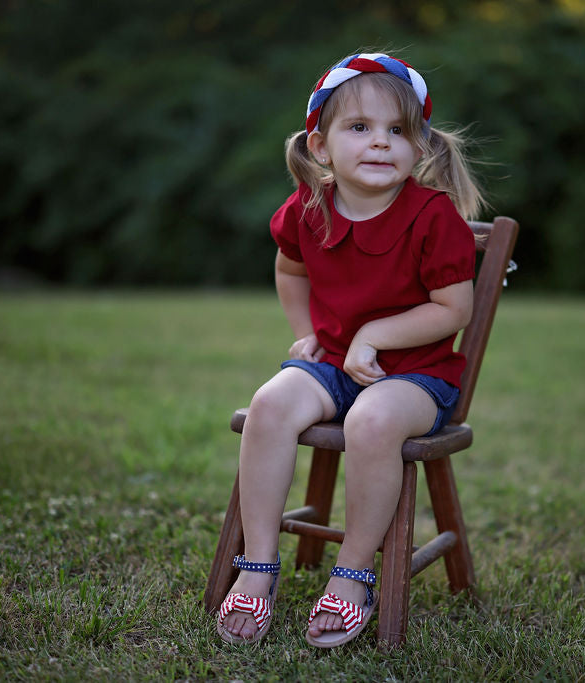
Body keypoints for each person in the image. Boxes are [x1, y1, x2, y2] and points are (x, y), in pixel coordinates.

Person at [216, 52, 486, 648]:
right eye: (359, 128)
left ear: (420, 148)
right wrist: (306, 328)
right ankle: (258, 566)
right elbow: (290, 270)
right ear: (321, 146)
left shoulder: (432, 216)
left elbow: (453, 310)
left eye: (398, 131)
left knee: (371, 420)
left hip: (416, 378)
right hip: (333, 365)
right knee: (269, 404)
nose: (380, 143)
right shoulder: (307, 209)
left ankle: (355, 570)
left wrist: (374, 336)